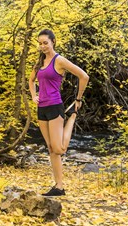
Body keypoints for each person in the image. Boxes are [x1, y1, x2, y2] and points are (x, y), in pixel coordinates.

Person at [29, 29, 89, 197]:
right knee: (51, 149)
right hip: (42, 109)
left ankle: (73, 117)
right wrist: (34, 95)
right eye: (40, 43)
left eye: (45, 43)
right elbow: (31, 80)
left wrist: (78, 99)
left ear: (53, 42)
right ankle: (59, 186)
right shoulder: (40, 62)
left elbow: (83, 76)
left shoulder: (59, 60)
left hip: (55, 107)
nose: (42, 46)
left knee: (59, 148)